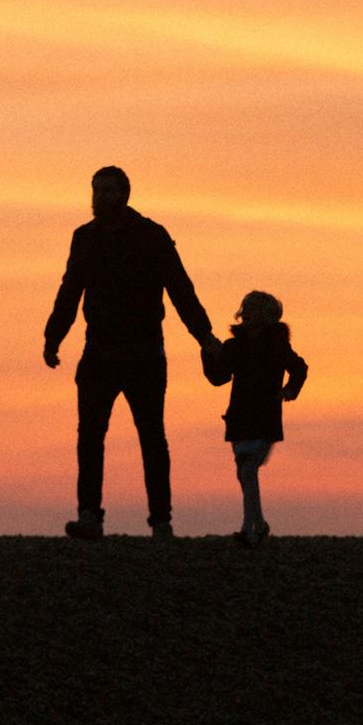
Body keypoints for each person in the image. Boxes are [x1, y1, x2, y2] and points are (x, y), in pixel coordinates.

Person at [44, 166, 220, 539]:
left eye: (108, 190)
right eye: (95, 189)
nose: (99, 196)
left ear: (124, 193)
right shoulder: (85, 239)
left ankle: (161, 520)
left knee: (152, 437)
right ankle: (89, 515)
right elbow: (70, 290)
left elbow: (180, 289)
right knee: (90, 436)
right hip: (99, 353)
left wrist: (204, 335)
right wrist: (53, 338)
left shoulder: (152, 236)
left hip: (144, 354)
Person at [201, 290, 307, 546]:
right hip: (239, 417)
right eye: (247, 308)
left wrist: (291, 389)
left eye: (255, 309)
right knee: (244, 472)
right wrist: (208, 353)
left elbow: (299, 368)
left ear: (269, 316)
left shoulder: (278, 345)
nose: (249, 313)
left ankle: (251, 529)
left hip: (265, 417)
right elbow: (219, 377)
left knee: (247, 468)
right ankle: (257, 525)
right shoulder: (234, 346)